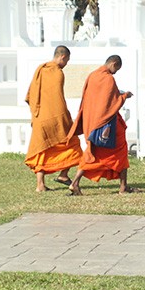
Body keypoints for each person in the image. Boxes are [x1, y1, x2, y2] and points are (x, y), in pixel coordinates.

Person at [68, 55, 133, 195]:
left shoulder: (92, 75)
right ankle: (123, 187)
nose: (115, 72)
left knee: (91, 154)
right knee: (121, 151)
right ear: (113, 63)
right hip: (106, 125)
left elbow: (95, 100)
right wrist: (124, 96)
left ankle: (75, 183)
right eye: (116, 68)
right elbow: (111, 103)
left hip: (92, 123)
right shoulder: (109, 79)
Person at [24, 46, 83, 192]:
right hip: (54, 117)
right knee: (73, 142)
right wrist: (65, 116)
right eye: (67, 60)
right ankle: (63, 174)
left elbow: (31, 94)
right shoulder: (58, 73)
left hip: (40, 117)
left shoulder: (41, 69)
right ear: (62, 57)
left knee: (42, 150)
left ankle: (40, 185)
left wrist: (36, 113)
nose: (66, 64)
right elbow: (58, 99)